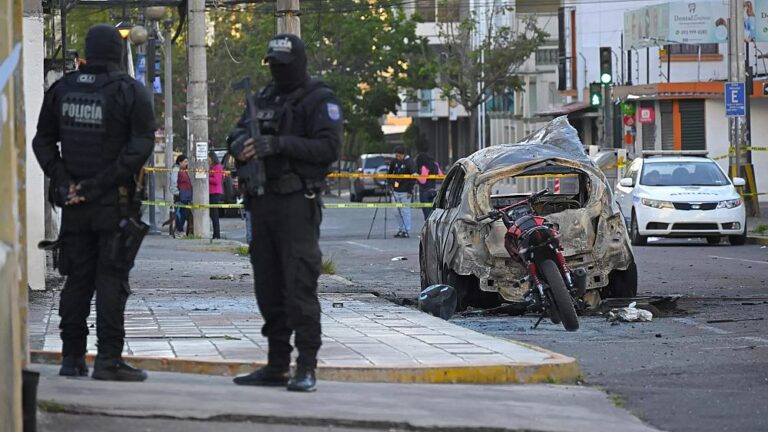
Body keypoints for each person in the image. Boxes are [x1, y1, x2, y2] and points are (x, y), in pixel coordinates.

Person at [32, 24, 156, 381]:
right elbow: (140, 146)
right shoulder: (129, 92)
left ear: (87, 51)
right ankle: (108, 360)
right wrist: (96, 185)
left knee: (77, 282)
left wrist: (64, 181)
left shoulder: (62, 89)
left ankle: (71, 359)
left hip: (73, 205)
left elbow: (42, 142)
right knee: (111, 281)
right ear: (118, 53)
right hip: (111, 205)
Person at [227, 33, 342, 392]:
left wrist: (277, 144)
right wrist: (240, 148)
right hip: (261, 203)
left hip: (297, 203)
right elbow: (235, 133)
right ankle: (276, 364)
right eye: (272, 65)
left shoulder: (319, 100)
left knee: (299, 286)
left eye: (283, 66)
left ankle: (305, 365)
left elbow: (329, 147)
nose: (277, 72)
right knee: (268, 288)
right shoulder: (262, 98)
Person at [387, 145, 416, 238]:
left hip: (405, 191)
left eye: (399, 156)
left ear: (404, 155)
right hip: (395, 190)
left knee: (405, 211)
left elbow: (414, 176)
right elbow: (389, 173)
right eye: (396, 156)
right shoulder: (394, 161)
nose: (398, 158)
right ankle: (400, 228)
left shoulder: (409, 162)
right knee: (396, 211)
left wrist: (410, 190)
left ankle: (406, 230)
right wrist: (390, 183)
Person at [414, 151, 442, 220]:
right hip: (433, 191)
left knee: (427, 215)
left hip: (424, 192)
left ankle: (427, 229)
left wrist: (416, 175)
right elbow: (441, 176)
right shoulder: (435, 164)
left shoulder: (424, 167)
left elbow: (423, 181)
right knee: (432, 213)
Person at [208, 151, 224, 239]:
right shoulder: (211, 167)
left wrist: (207, 178)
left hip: (215, 192)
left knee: (214, 214)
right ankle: (215, 234)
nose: (208, 160)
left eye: (209, 158)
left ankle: (217, 234)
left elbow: (217, 181)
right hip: (210, 192)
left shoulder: (218, 167)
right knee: (212, 214)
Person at [176, 154, 193, 234]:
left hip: (187, 194)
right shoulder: (177, 170)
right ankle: (179, 229)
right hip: (182, 194)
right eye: (185, 162)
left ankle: (181, 229)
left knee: (185, 213)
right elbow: (174, 183)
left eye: (187, 162)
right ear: (180, 162)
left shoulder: (185, 170)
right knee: (181, 213)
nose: (186, 163)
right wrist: (178, 193)